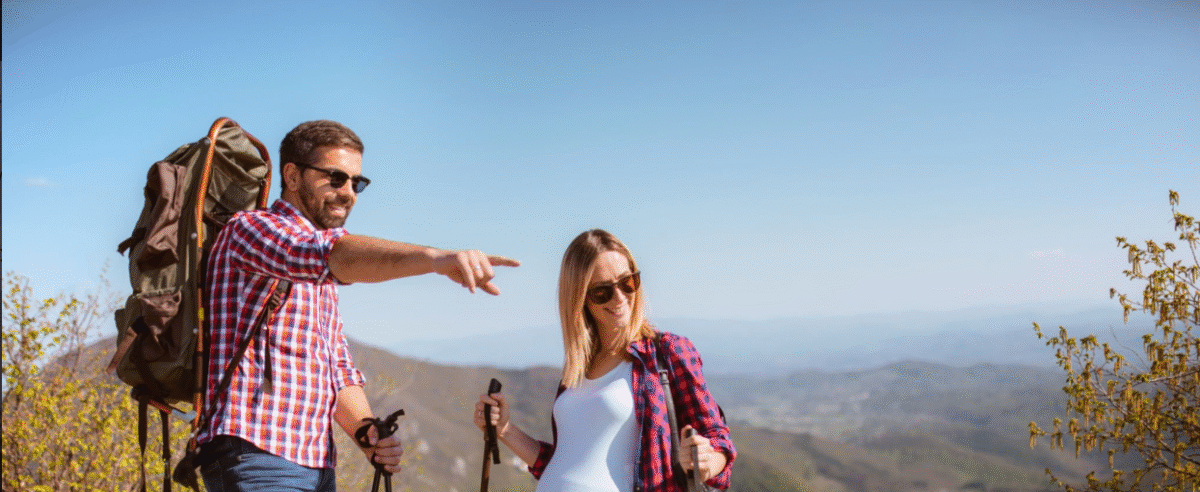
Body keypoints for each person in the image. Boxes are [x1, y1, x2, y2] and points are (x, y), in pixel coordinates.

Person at [196, 119, 519, 491]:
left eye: (357, 183)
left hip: (315, 464)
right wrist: (434, 259)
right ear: (293, 175)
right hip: (256, 455)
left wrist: (366, 431)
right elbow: (330, 254)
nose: (348, 192)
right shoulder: (250, 230)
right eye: (335, 178)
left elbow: (337, 370)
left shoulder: (321, 277)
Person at [474, 229, 735, 491]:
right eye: (602, 292)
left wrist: (707, 461)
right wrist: (504, 429)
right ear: (580, 299)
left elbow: (718, 439)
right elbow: (566, 464)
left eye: (627, 282)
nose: (620, 297)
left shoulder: (668, 352)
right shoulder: (578, 368)